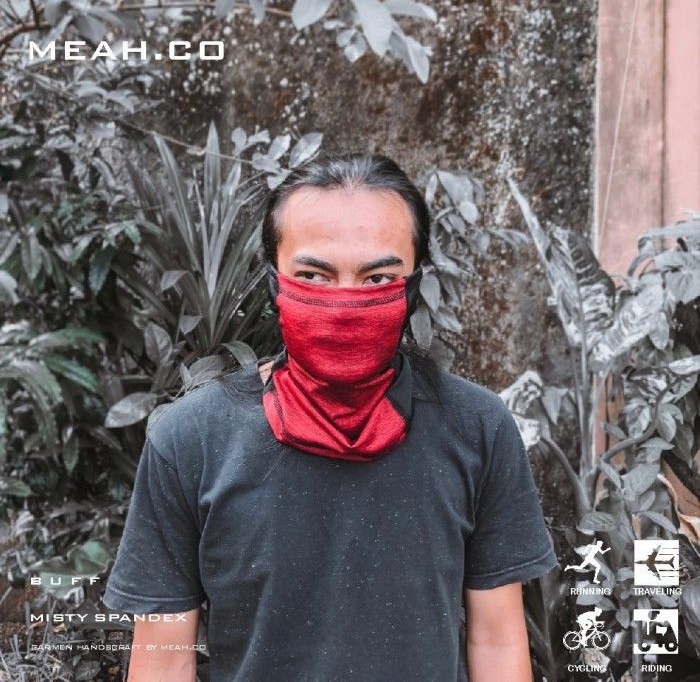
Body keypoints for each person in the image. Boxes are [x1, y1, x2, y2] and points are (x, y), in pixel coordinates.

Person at [102, 152, 559, 681]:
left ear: (413, 285)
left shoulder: (478, 427)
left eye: (376, 278)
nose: (344, 302)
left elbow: (497, 642)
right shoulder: (190, 440)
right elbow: (163, 660)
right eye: (313, 276)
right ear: (273, 282)